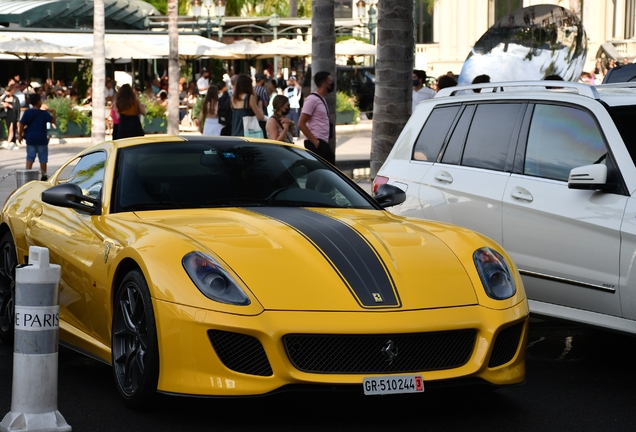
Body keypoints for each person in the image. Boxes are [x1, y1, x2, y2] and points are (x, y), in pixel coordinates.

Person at [298, 70, 336, 164]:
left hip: (322, 142)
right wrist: (315, 142)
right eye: (330, 82)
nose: (332, 84)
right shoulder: (312, 99)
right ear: (324, 84)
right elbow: (301, 124)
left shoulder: (321, 99)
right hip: (316, 143)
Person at [17, 94, 56, 180]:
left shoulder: (27, 112)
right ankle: (44, 176)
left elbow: (22, 124)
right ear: (38, 102)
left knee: (30, 157)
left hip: (30, 138)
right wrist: (53, 111)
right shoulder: (44, 113)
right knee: (43, 159)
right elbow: (52, 120)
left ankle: (27, 175)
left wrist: (20, 135)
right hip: (41, 139)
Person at [1, 84, 20, 150]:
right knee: (9, 128)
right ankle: (12, 142)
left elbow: (16, 108)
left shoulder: (15, 99)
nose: (5, 93)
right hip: (6, 115)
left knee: (11, 128)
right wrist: (3, 106)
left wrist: (8, 105)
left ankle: (8, 142)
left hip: (13, 115)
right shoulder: (4, 98)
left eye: (6, 91)